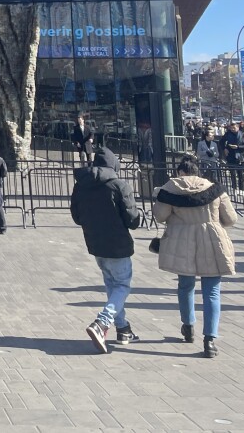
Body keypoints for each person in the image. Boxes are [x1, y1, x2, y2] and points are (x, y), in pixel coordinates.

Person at [152, 157, 236, 358]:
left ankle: (188, 326)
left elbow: (160, 216)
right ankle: (210, 339)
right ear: (198, 173)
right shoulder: (215, 189)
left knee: (185, 284)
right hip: (212, 239)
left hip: (182, 240)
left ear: (180, 172)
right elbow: (231, 219)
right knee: (212, 291)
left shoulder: (170, 188)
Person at [71, 147, 143, 353]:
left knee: (112, 286)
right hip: (118, 243)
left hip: (95, 243)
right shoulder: (119, 185)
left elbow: (76, 217)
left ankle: (123, 329)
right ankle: (102, 323)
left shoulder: (81, 185)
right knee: (121, 286)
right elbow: (132, 220)